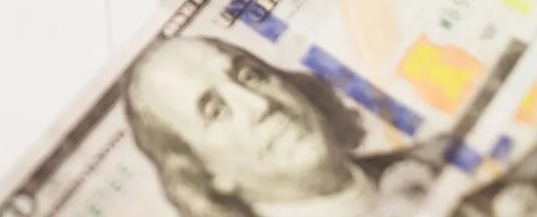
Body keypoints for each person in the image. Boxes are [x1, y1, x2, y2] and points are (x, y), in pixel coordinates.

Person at [123, 34, 449, 216]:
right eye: (216, 112)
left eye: (249, 76)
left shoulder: (445, 158)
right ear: (207, 174)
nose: (260, 104)